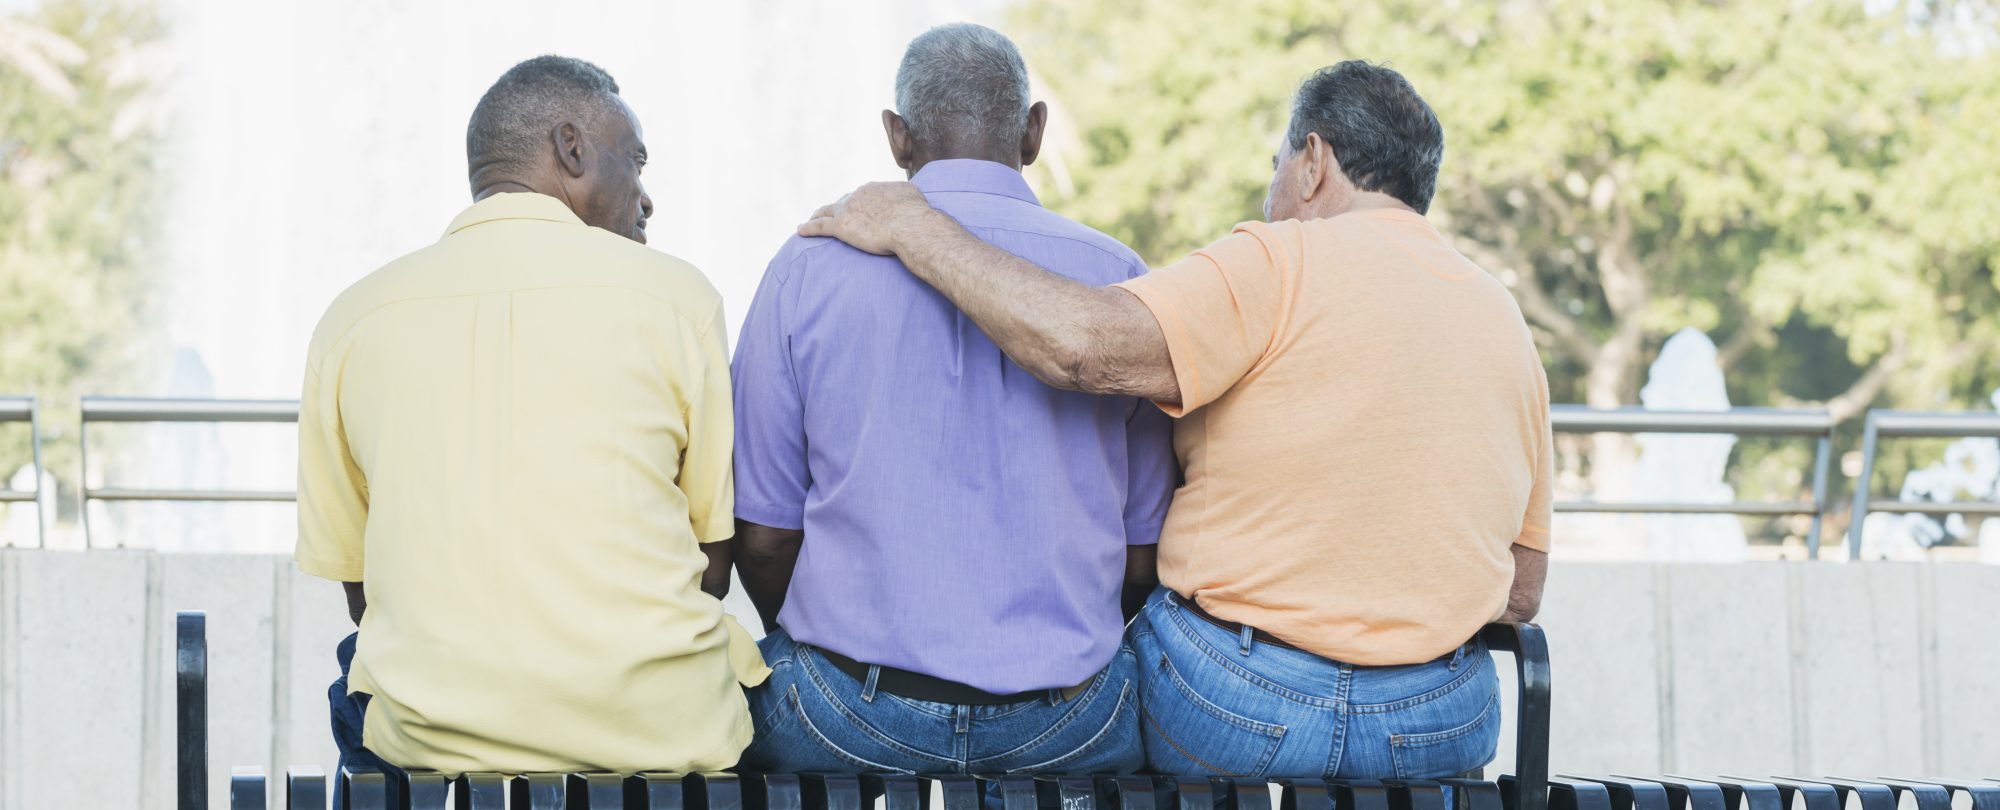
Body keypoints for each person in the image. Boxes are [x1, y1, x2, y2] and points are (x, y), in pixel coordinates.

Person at [796, 60, 1552, 780]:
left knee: (1104, 672)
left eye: (1276, 166)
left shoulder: (1279, 258)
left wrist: (914, 229)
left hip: (1235, 704)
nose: (1271, 193)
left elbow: (1084, 349)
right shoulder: (1502, 318)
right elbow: (1521, 590)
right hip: (1434, 721)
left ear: (1314, 161)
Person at [294, 55, 767, 802]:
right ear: (573, 148)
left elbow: (363, 589)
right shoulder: (679, 299)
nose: (647, 198)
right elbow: (712, 564)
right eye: (634, 161)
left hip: (432, 746)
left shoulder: (352, 320)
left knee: (361, 669)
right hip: (658, 737)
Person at [732, 23, 1174, 775]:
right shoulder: (1119, 277)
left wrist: (831, 659)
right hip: (1063, 719)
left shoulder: (805, 267)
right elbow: (1141, 557)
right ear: (1034, 130)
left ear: (897, 138)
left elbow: (765, 540)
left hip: (850, 712)